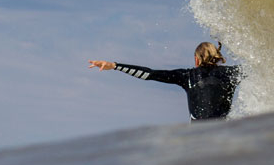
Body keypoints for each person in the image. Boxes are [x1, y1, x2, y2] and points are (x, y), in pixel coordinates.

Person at [88, 42, 241, 121]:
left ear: (196, 60)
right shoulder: (232, 73)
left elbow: (150, 74)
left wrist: (115, 66)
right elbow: (260, 68)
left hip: (199, 141)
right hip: (225, 138)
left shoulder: (187, 75)